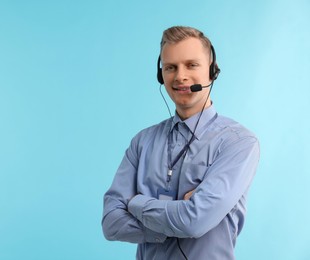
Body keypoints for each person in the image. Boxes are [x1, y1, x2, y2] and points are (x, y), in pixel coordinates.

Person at [101, 25, 260, 260]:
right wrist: (177, 217)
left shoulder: (238, 143)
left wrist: (136, 204)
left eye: (191, 65)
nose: (180, 76)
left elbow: (194, 222)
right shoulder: (141, 142)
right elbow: (111, 223)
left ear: (212, 71)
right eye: (170, 67)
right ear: (160, 75)